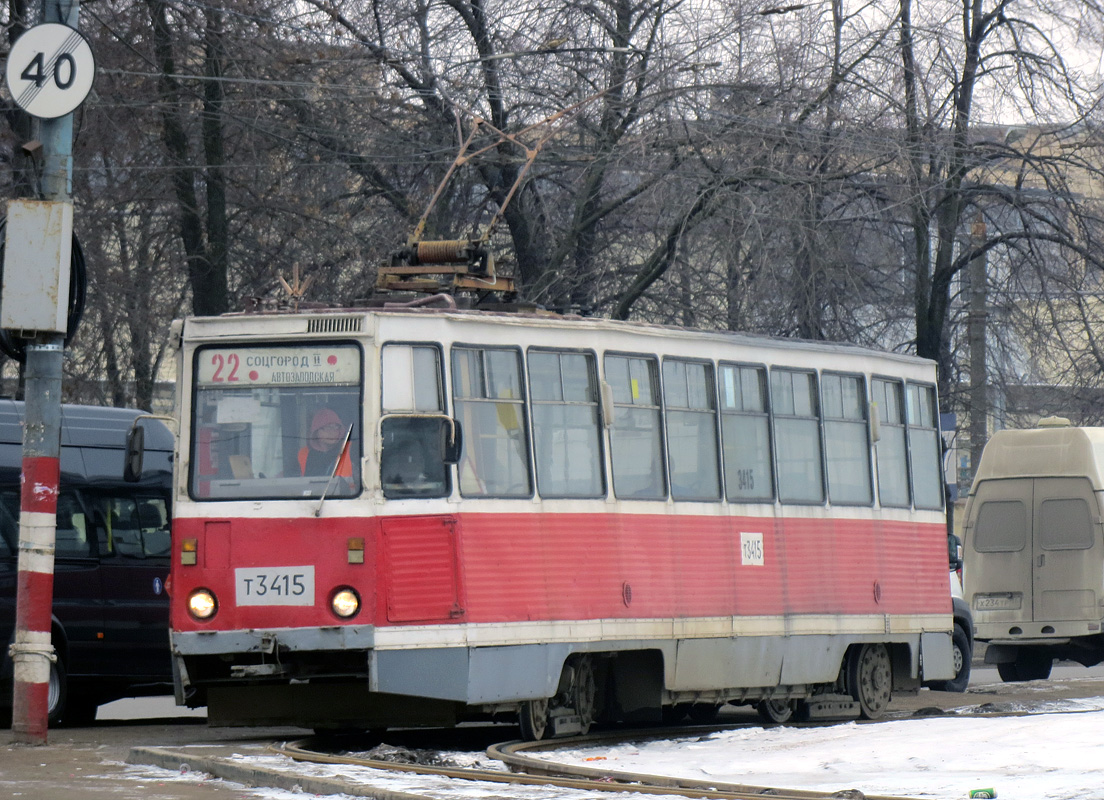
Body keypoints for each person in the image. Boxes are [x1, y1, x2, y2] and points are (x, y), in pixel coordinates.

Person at [299, 408, 353, 477]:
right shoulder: (303, 454)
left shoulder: (350, 449)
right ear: (316, 431)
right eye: (328, 427)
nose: (333, 432)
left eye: (336, 427)